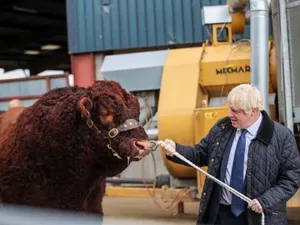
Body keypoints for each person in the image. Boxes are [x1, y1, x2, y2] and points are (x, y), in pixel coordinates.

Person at [161, 84, 300, 225]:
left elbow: (291, 179)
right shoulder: (223, 127)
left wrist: (265, 201)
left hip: (259, 217)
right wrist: (176, 150)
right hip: (220, 215)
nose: (229, 115)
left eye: (235, 111)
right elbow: (200, 153)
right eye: (230, 109)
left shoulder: (282, 137)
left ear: (252, 111)